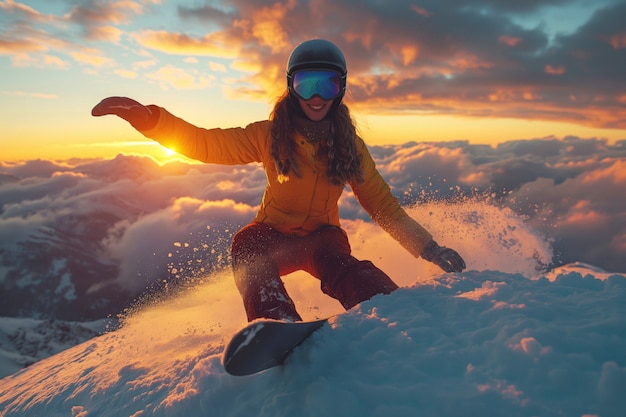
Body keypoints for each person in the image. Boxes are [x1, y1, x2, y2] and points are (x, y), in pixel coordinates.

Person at [92, 39, 466, 322]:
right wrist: (150, 119)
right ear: (291, 87)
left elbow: (383, 206)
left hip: (323, 238)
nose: (317, 97)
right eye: (307, 85)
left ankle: (387, 305)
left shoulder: (350, 147)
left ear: (342, 89)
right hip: (272, 237)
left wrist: (429, 249)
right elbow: (207, 144)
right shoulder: (269, 136)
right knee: (247, 246)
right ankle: (276, 320)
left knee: (346, 269)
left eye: (329, 85)